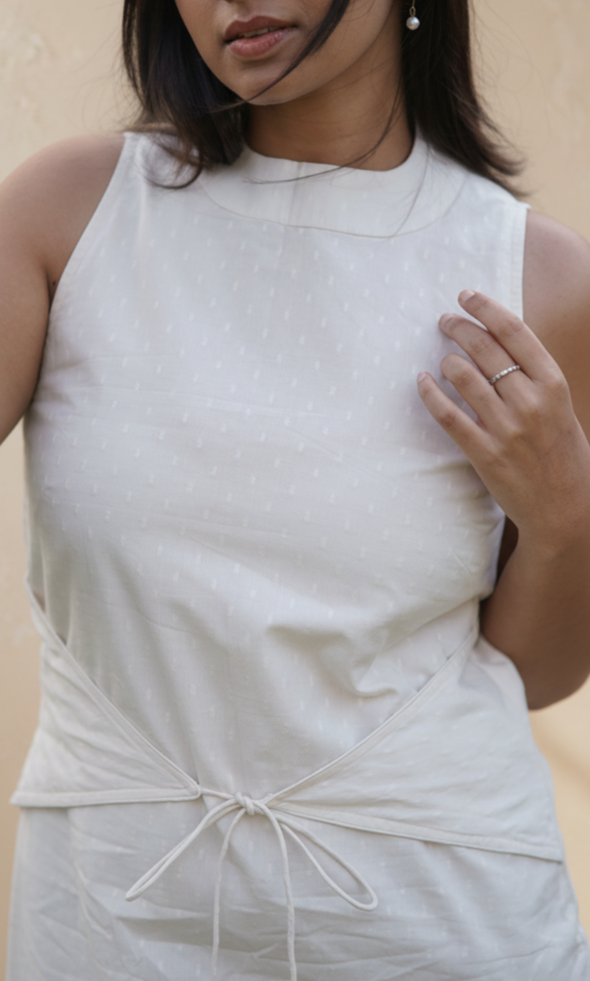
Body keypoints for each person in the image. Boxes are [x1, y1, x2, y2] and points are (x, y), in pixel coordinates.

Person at [2, 0, 590, 977]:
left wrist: (565, 522)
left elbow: (533, 673)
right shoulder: (69, 214)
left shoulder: (535, 277)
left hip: (441, 923)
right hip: (111, 922)